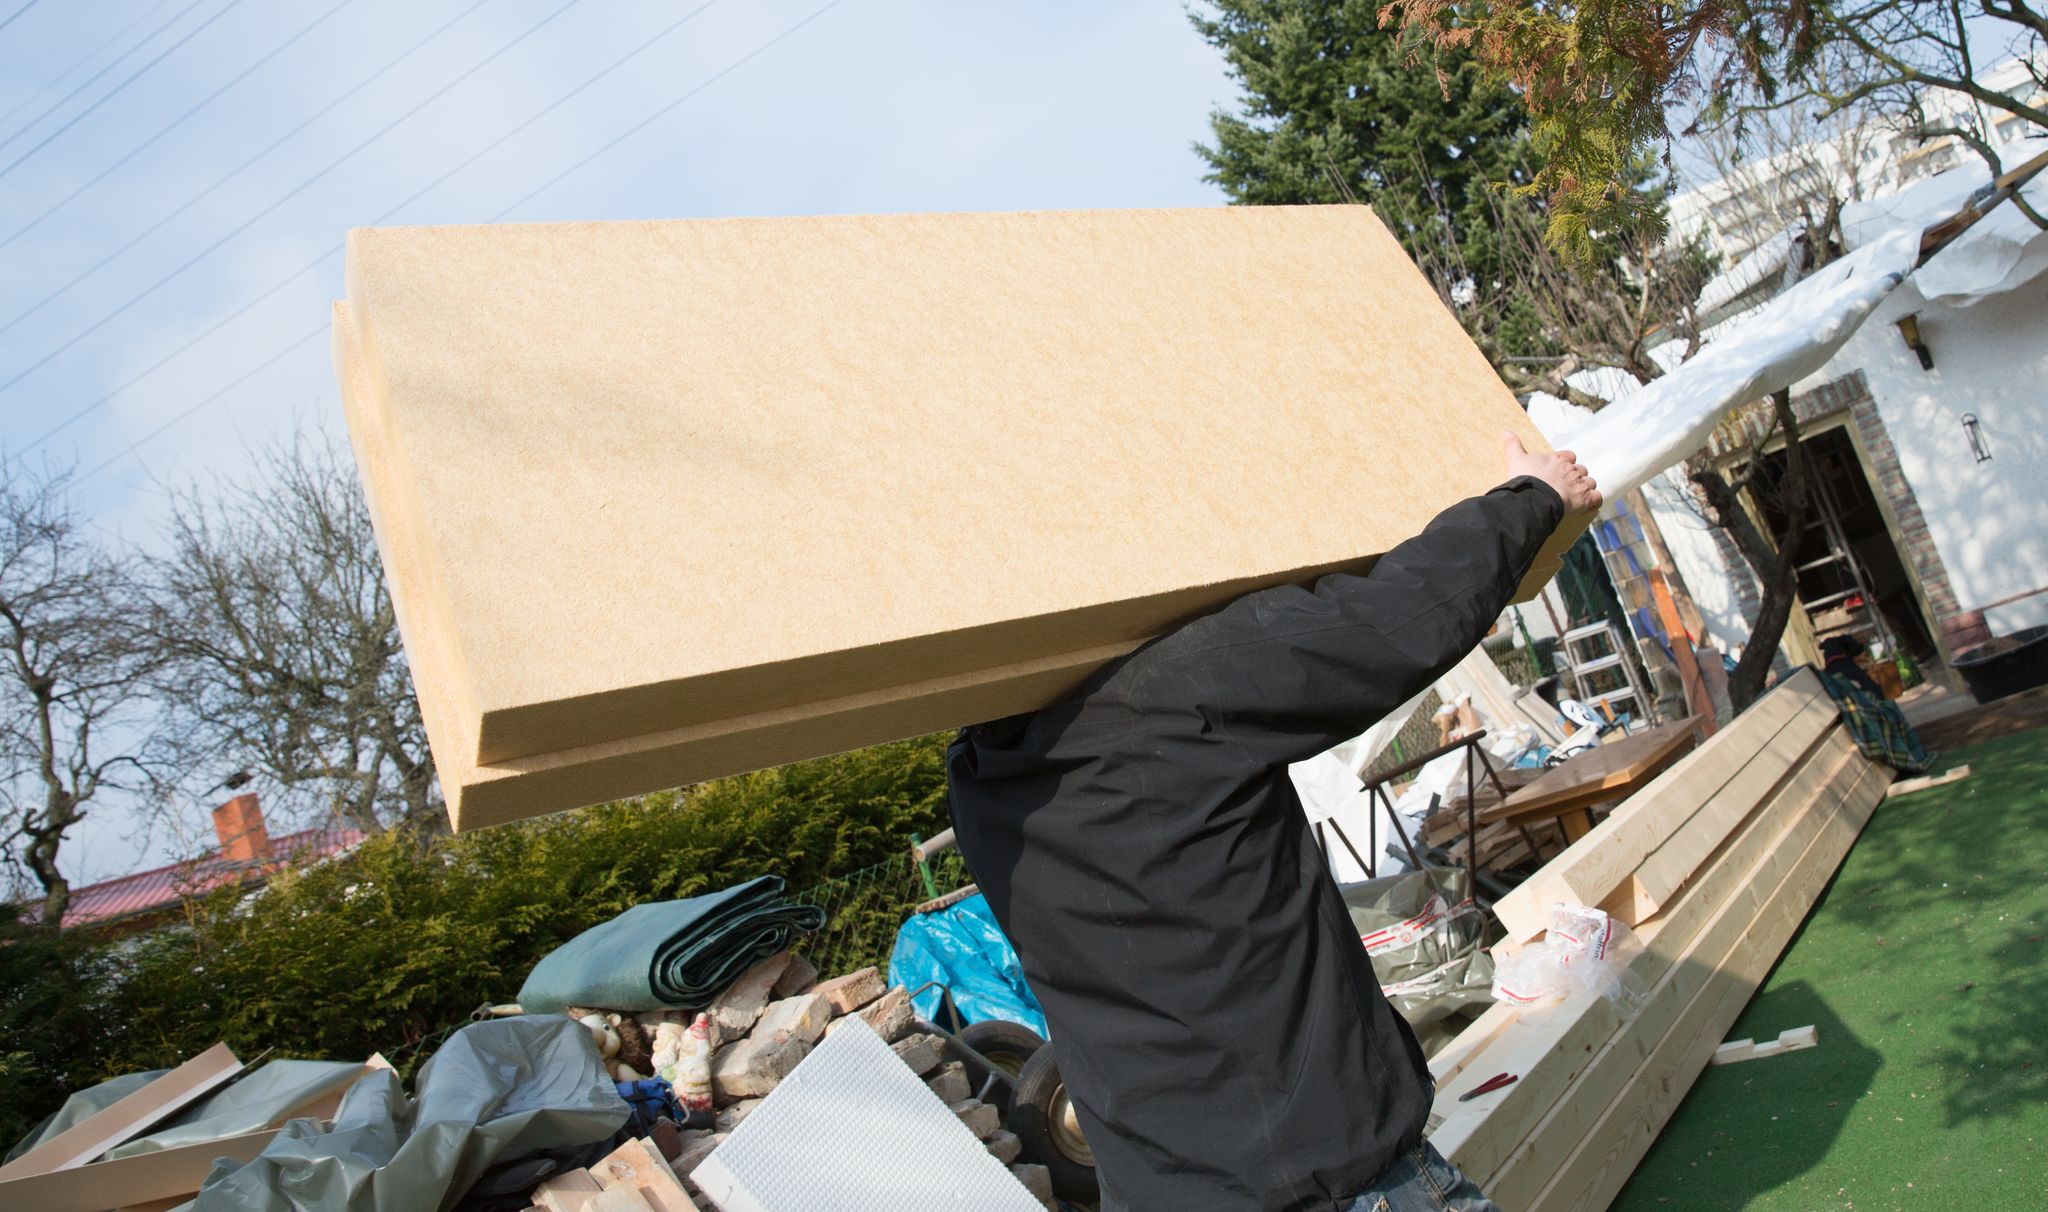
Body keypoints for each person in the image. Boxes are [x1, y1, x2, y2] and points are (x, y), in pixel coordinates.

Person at [946, 434, 1600, 1212]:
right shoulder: (1173, 688)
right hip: (1332, 1185)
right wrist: (1533, 496)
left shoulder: (977, 780)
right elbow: (1394, 619)